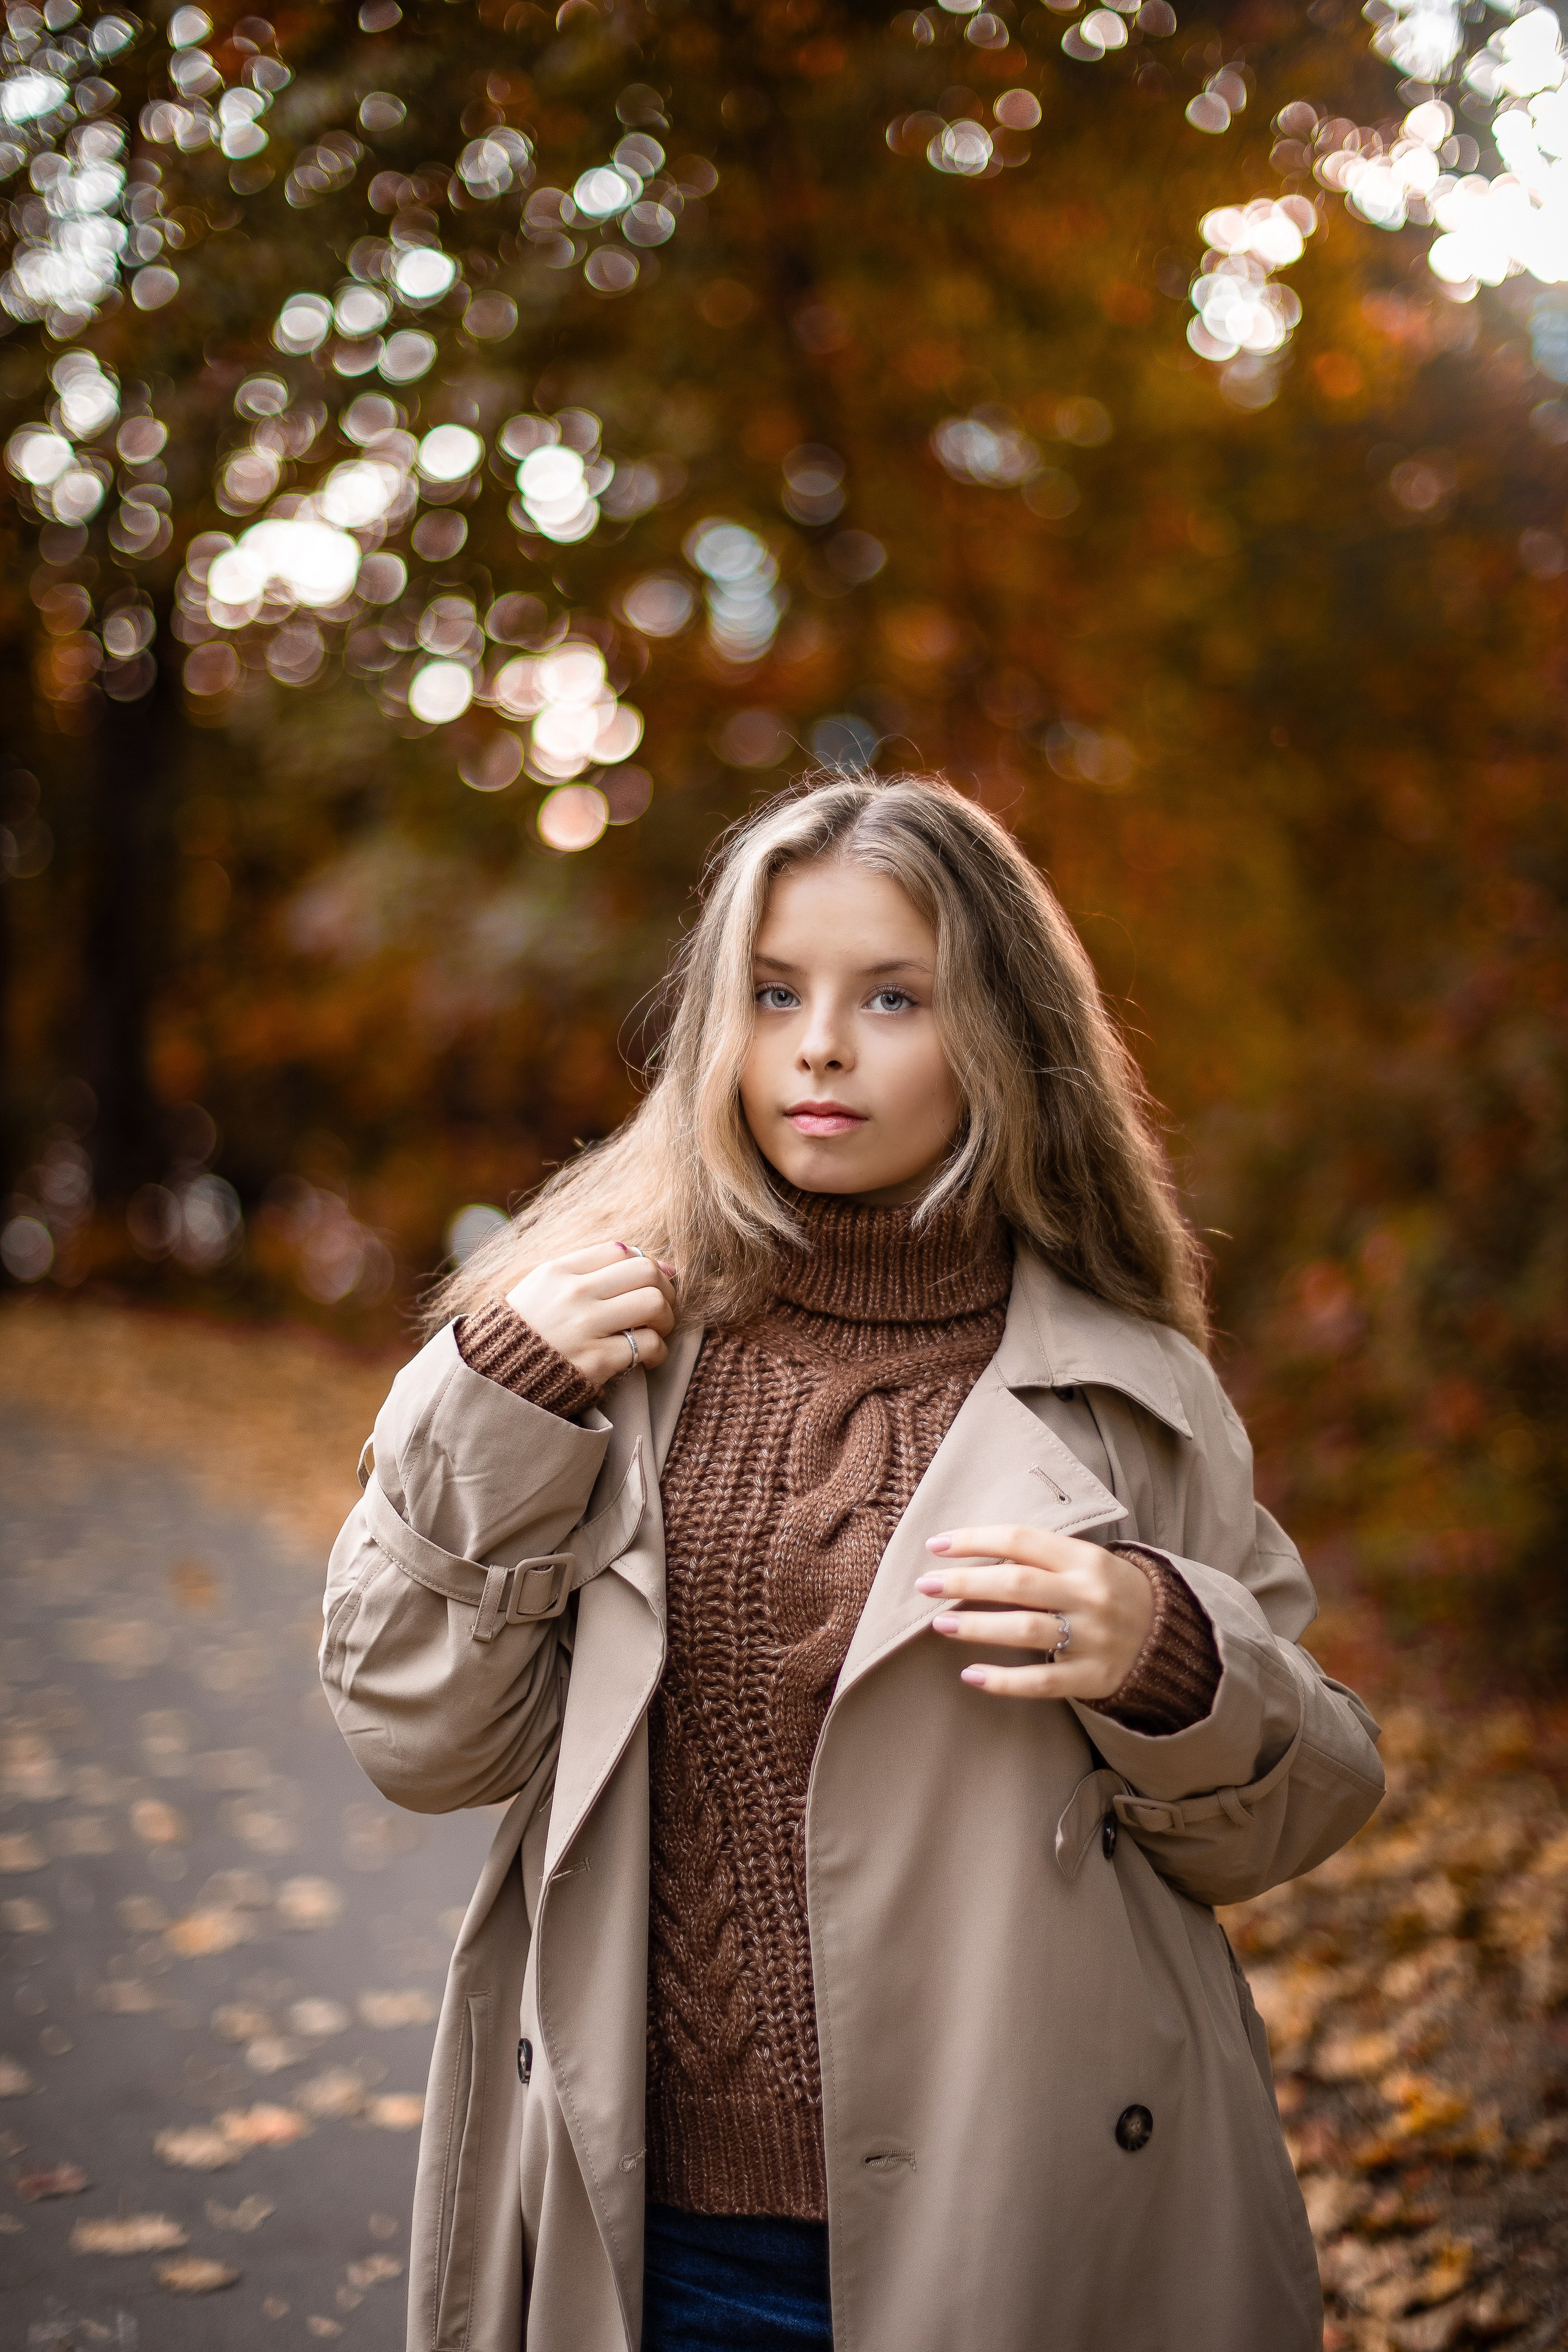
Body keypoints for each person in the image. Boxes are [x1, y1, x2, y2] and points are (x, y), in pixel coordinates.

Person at [321, 772, 1383, 2352]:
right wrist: (492, 1418)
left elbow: (1300, 1806)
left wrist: (1170, 1652)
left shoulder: (1125, 1391)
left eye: (893, 996)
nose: (820, 1043)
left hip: (1026, 2224)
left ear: (1002, 1043)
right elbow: (420, 1739)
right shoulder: (576, 1344)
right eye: (772, 993)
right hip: (652, 2232)